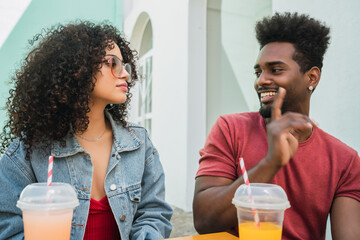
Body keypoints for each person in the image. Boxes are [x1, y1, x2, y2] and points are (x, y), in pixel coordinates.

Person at [193, 12, 360, 240]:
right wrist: (270, 163)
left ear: (311, 77)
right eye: (258, 71)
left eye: (276, 69)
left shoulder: (344, 160)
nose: (261, 80)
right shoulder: (230, 129)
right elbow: (204, 220)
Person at [0, 21, 172, 240]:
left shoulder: (138, 142)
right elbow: (8, 229)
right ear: (77, 69)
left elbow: (154, 214)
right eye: (113, 63)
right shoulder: (27, 153)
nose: (125, 74)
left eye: (125, 66)